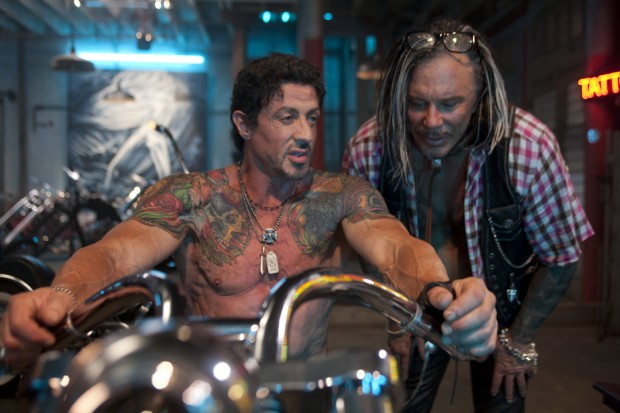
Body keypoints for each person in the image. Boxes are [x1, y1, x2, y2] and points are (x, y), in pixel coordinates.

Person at [0, 53, 497, 385]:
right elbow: (112, 255)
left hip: (298, 389)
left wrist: (440, 294)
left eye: (311, 118)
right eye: (287, 117)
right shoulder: (191, 197)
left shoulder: (341, 196)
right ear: (243, 123)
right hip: (210, 388)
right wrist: (60, 298)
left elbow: (397, 248)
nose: (305, 134)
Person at [342, 18, 593, 413]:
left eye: (450, 104)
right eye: (417, 103)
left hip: (501, 318)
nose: (432, 122)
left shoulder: (528, 146)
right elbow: (366, 245)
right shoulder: (370, 148)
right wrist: (397, 319)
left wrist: (518, 340)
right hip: (415, 309)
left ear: (479, 97)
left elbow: (561, 257)